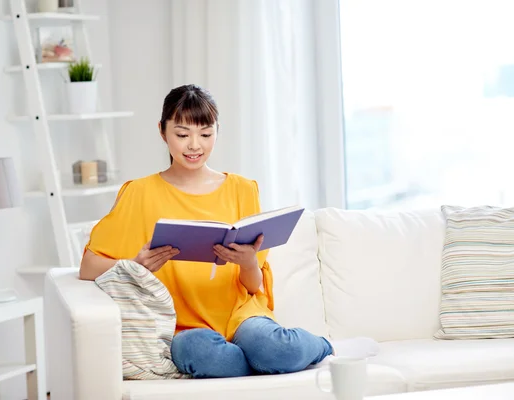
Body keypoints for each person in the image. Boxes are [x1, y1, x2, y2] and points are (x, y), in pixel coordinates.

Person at [80, 84, 379, 378]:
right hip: (183, 328)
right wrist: (134, 266)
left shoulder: (242, 190)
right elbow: (88, 266)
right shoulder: (139, 193)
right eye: (182, 134)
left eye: (206, 134)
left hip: (242, 317)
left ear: (217, 132)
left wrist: (248, 262)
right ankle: (262, 362)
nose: (194, 145)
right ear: (162, 131)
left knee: (273, 347)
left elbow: (253, 286)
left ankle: (325, 348)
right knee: (198, 352)